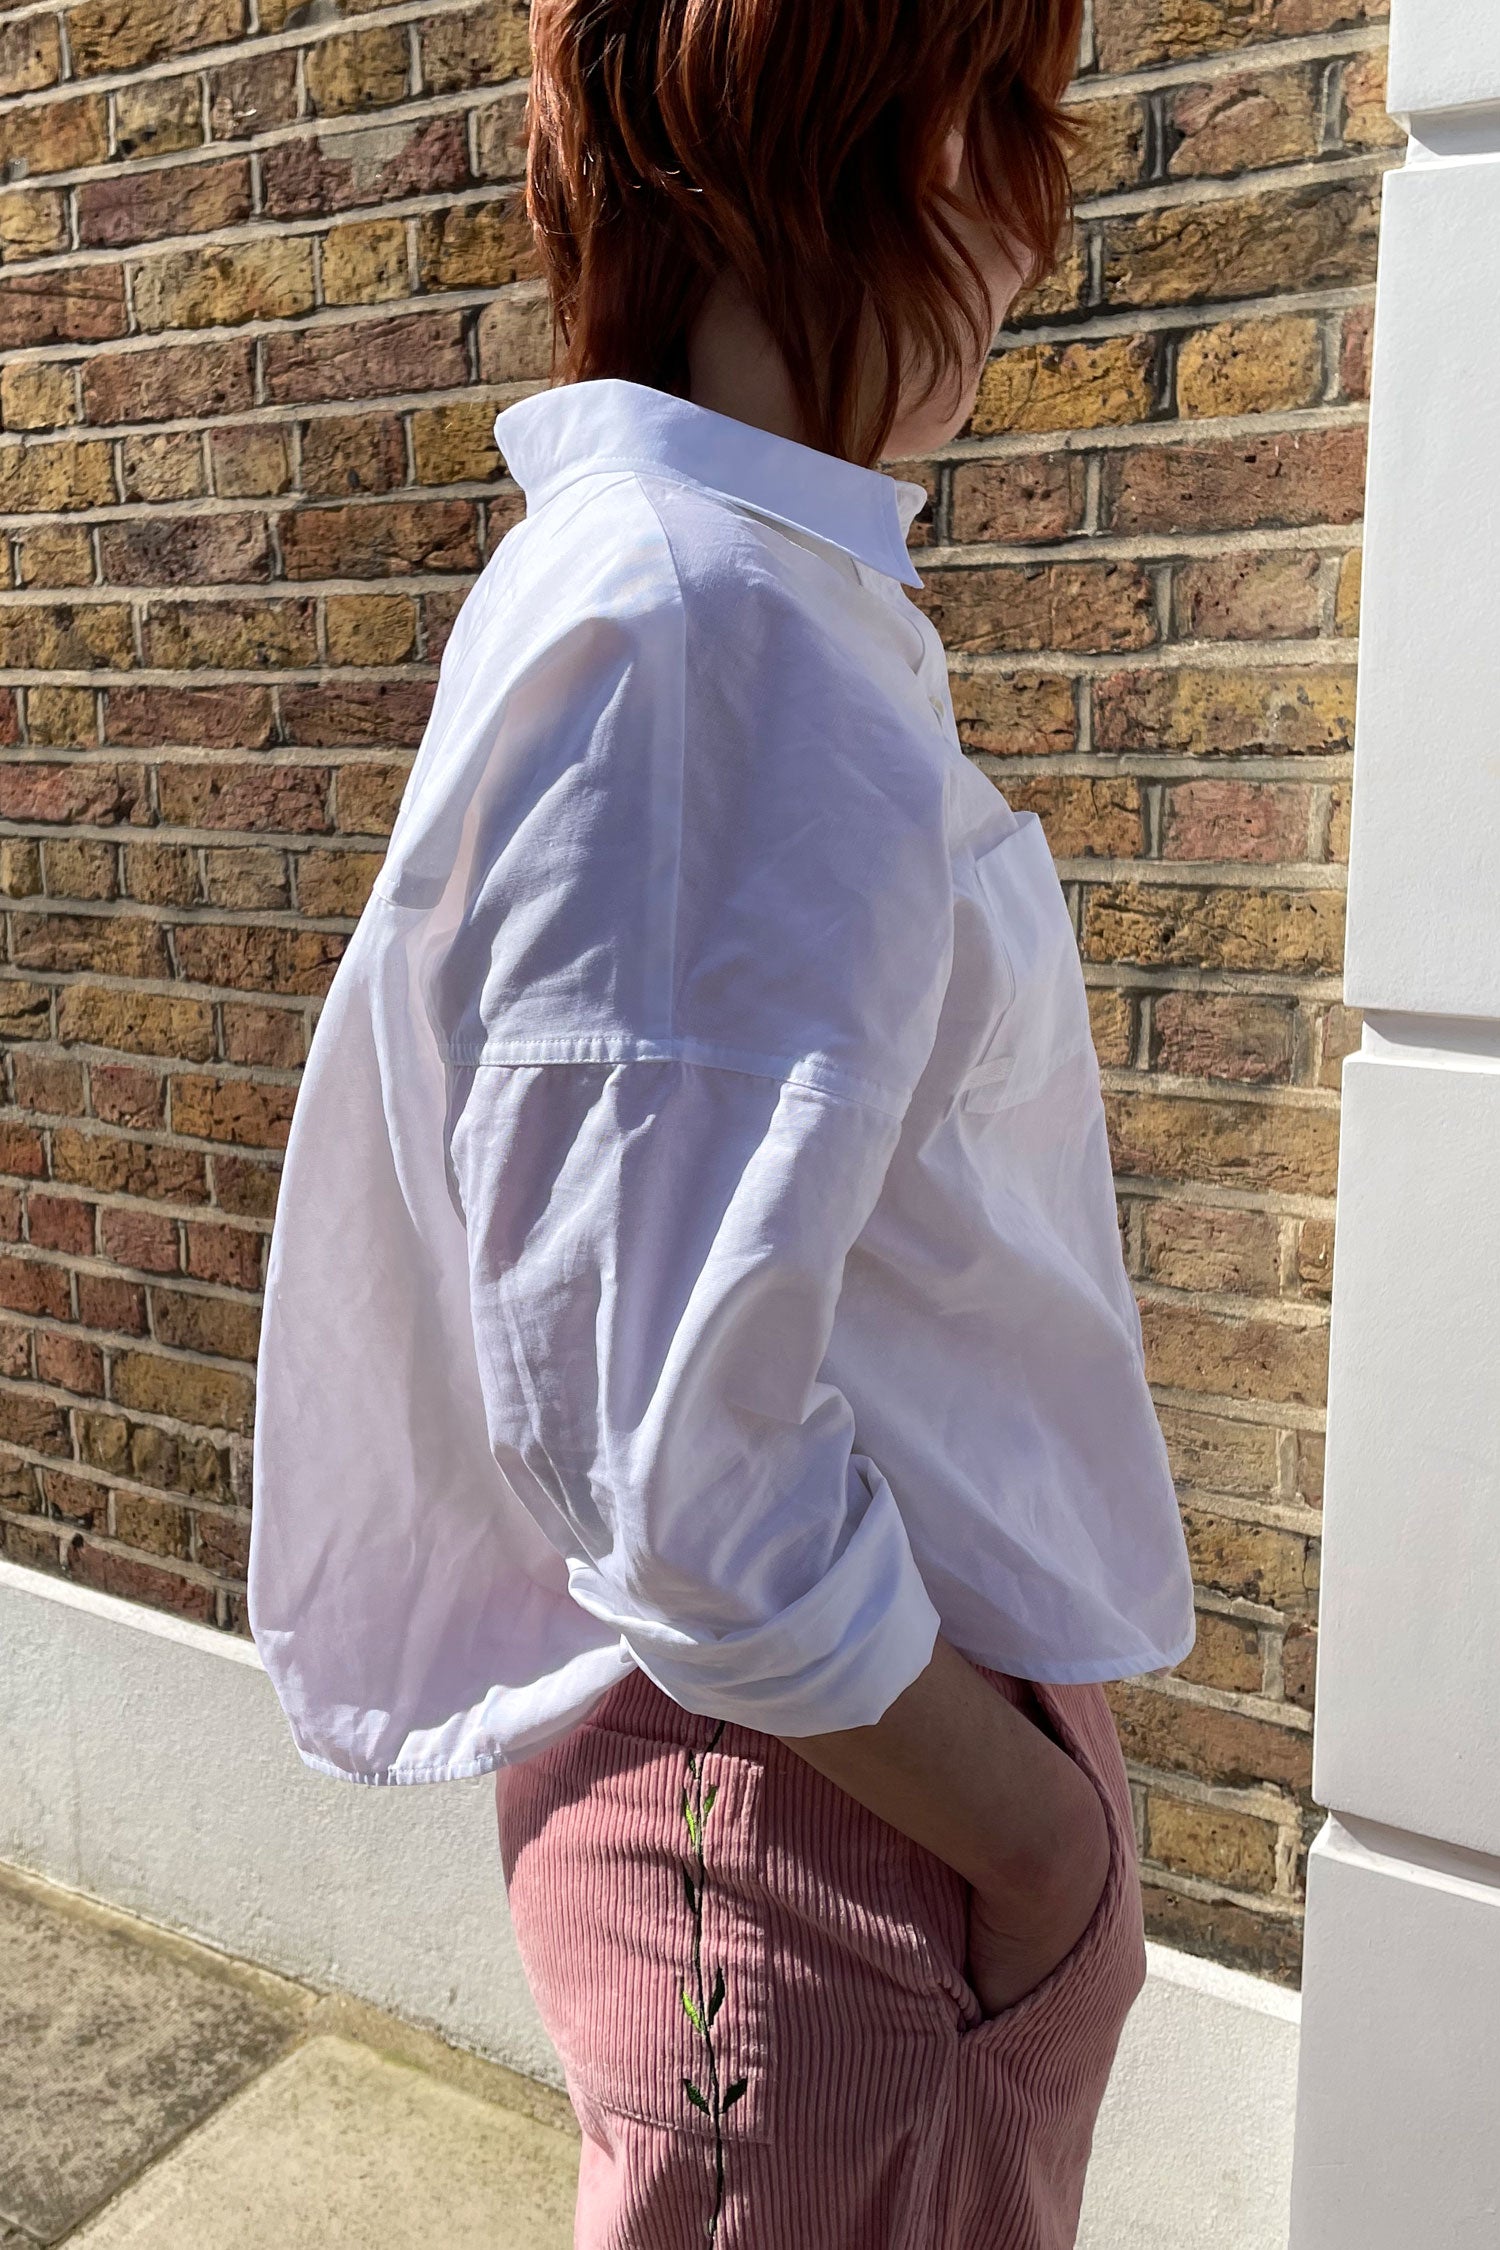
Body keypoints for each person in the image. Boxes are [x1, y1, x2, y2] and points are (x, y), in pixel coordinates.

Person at [248, 0, 1196, 2241]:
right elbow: (676, 1464)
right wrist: (1036, 1840)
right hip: (825, 1844)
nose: (1029, 224)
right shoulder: (709, 629)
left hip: (813, 1810)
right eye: (1003, 117)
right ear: (844, 132)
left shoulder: (710, 596)